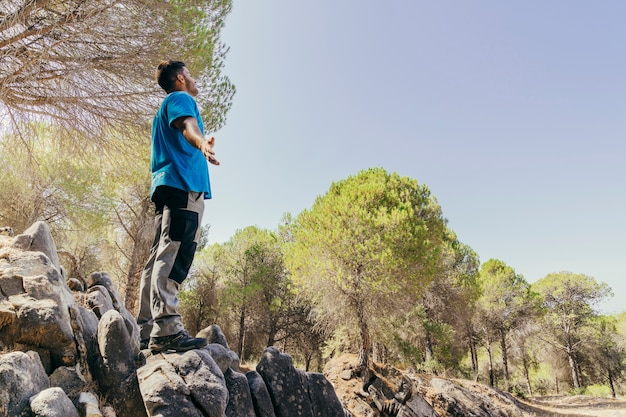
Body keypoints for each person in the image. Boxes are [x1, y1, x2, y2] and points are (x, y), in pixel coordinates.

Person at [136, 60, 220, 352]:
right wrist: (202, 144)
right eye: (191, 75)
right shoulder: (180, 98)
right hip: (183, 185)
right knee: (176, 251)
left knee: (159, 253)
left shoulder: (163, 109)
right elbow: (188, 125)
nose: (194, 80)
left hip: (166, 186)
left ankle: (146, 329)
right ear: (181, 78)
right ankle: (167, 327)